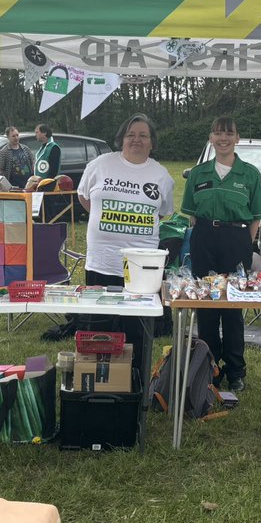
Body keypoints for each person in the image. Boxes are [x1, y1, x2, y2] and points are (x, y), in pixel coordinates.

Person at [76, 113, 175, 370]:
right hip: (101, 263)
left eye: (143, 135)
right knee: (99, 328)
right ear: (121, 139)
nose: (136, 140)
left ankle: (133, 382)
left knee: (136, 330)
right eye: (131, 134)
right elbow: (85, 198)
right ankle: (97, 379)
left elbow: (162, 212)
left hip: (142, 268)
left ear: (152, 142)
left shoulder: (162, 175)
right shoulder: (99, 164)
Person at [181, 116, 261, 392]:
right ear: (211, 138)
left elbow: (256, 217)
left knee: (232, 307)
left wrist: (244, 246)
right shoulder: (198, 173)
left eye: (228, 133)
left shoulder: (250, 174)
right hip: (204, 239)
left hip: (236, 240)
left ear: (237, 138)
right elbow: (192, 216)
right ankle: (209, 366)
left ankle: (236, 370)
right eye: (218, 133)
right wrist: (206, 238)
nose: (223, 138)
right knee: (206, 307)